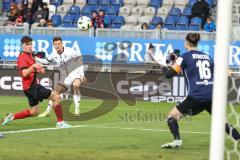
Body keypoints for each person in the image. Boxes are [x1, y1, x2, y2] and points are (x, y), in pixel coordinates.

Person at [161, 33, 240, 149]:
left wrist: (164, 67)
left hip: (196, 96)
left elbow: (168, 75)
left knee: (171, 117)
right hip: (212, 96)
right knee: (224, 124)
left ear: (187, 43)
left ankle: (177, 141)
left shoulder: (184, 57)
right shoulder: (207, 56)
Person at [1, 36, 71, 128]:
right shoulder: (22, 57)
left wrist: (39, 68)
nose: (30, 46)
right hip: (32, 87)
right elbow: (24, 73)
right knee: (56, 97)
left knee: (34, 112)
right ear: (23, 46)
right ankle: (60, 122)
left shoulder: (31, 56)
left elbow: (40, 70)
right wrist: (33, 67)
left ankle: (12, 117)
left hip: (29, 88)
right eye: (27, 44)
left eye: (31, 44)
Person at [36, 36, 86, 117]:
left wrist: (82, 74)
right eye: (55, 44)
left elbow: (79, 61)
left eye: (59, 43)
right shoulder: (53, 54)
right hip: (65, 77)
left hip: (76, 73)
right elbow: (45, 61)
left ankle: (77, 108)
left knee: (76, 85)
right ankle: (47, 111)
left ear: (62, 44)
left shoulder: (70, 51)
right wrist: (36, 58)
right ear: (53, 45)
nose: (57, 45)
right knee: (55, 93)